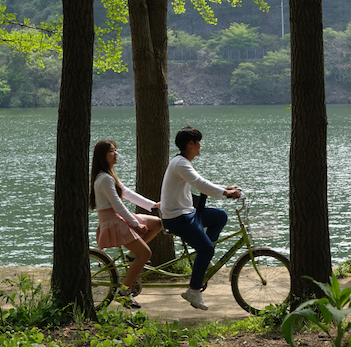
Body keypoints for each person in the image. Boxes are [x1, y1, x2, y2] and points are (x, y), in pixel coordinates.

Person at [160, 126, 242, 310]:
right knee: (207, 250)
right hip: (177, 218)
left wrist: (225, 188)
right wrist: (228, 193)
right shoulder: (180, 163)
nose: (201, 146)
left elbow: (201, 182)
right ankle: (193, 290)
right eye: (198, 142)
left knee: (220, 216)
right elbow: (200, 183)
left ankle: (201, 257)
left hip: (187, 212)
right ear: (191, 144)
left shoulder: (182, 162)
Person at [89, 139, 163, 309]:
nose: (116, 154)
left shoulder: (109, 175)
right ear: (102, 156)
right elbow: (117, 205)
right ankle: (124, 292)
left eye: (116, 150)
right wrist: (135, 224)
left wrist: (153, 205)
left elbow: (127, 193)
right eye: (111, 151)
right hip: (113, 221)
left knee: (157, 223)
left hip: (120, 217)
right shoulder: (104, 179)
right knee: (145, 254)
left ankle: (131, 256)